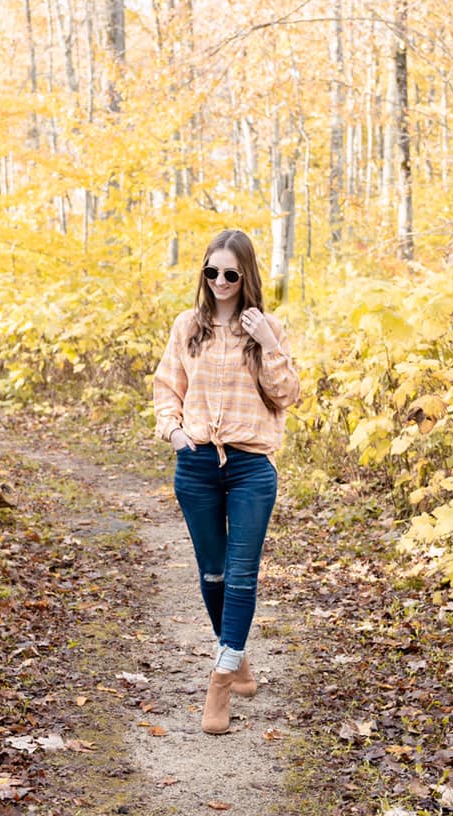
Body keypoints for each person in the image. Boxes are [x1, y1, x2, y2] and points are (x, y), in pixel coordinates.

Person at [153, 229, 300, 735]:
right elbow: (167, 385)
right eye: (211, 272)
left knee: (241, 574)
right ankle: (235, 654)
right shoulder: (187, 326)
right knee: (212, 573)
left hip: (251, 467)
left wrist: (268, 342)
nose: (219, 281)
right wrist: (172, 431)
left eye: (230, 274)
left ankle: (219, 679)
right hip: (195, 465)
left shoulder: (266, 328)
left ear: (246, 277)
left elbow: (287, 394)